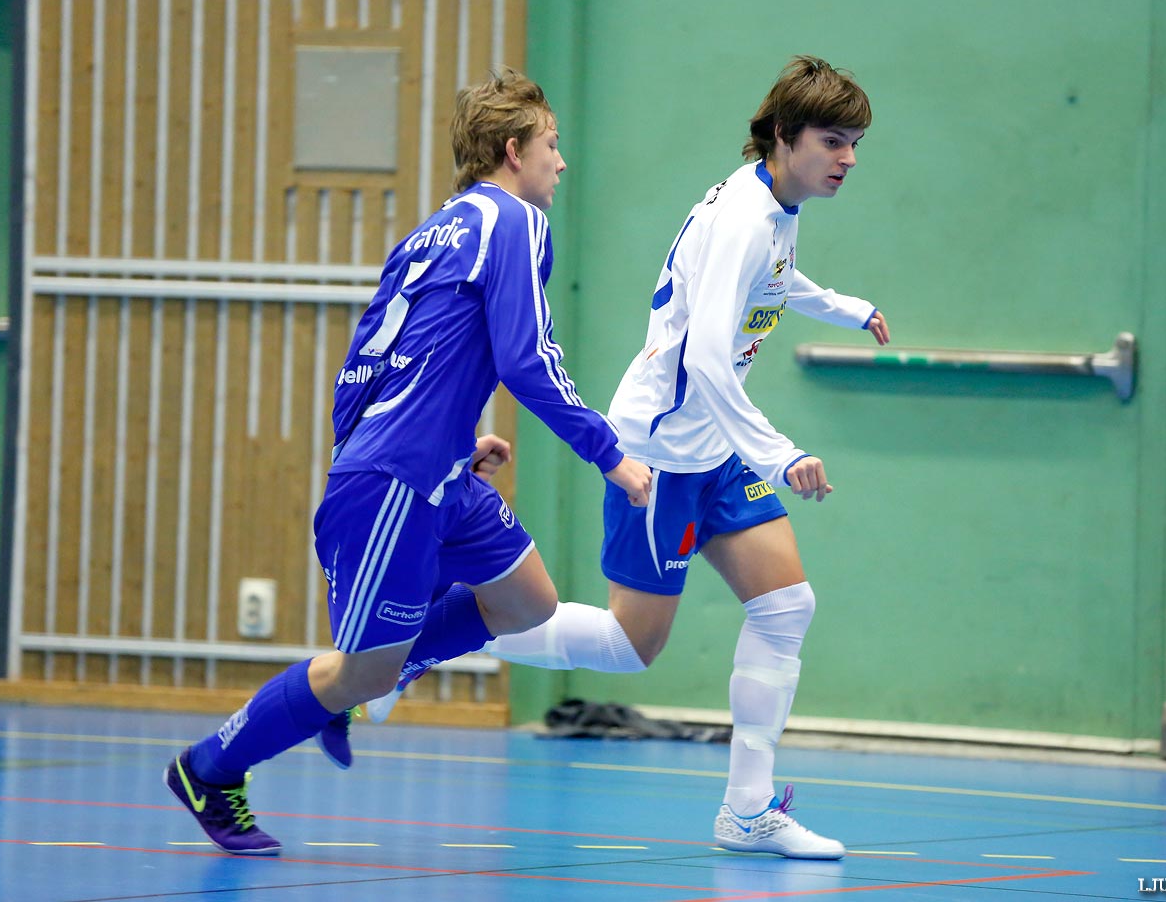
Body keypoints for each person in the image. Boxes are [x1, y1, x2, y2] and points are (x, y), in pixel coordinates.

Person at [366, 55, 889, 860]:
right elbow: (711, 361)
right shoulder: (743, 217)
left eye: (854, 142)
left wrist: (845, 308)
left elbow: (773, 279)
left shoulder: (772, 202)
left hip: (713, 449)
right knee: (628, 646)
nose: (848, 158)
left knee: (787, 608)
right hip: (661, 455)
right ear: (784, 138)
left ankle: (748, 812)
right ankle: (421, 644)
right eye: (832, 141)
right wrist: (783, 457)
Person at [163, 68, 653, 856]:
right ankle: (210, 768)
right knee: (355, 671)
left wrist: (451, 445)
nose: (562, 164)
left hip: (427, 473)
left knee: (527, 602)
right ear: (513, 149)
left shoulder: (435, 230)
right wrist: (612, 456)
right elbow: (529, 360)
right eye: (553, 146)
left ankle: (374, 682)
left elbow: (368, 361)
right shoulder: (515, 221)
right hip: (397, 483)